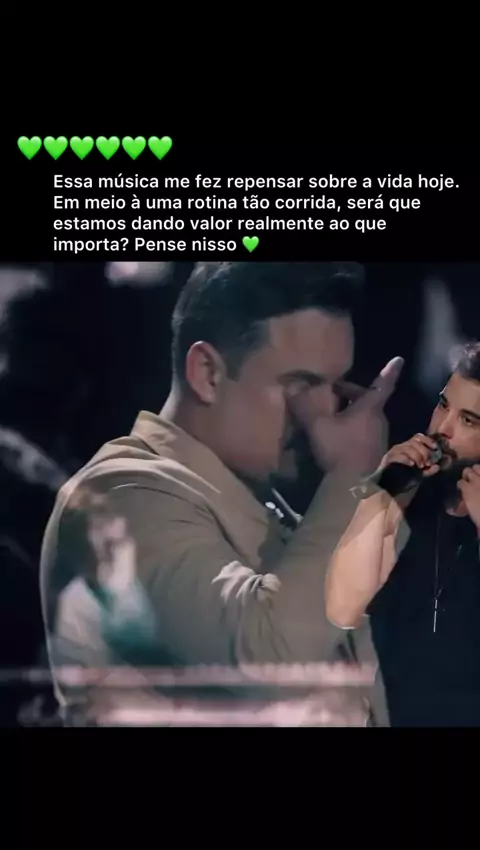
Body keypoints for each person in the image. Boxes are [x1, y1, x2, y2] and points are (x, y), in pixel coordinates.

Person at [40, 262, 403, 726]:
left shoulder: (265, 504)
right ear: (208, 373)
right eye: (300, 384)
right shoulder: (116, 498)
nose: (326, 412)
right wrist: (352, 477)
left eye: (334, 386)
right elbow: (269, 660)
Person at [326, 341, 480, 726]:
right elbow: (342, 607)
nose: (441, 430)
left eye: (468, 421)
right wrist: (383, 495)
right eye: (443, 405)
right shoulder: (406, 498)